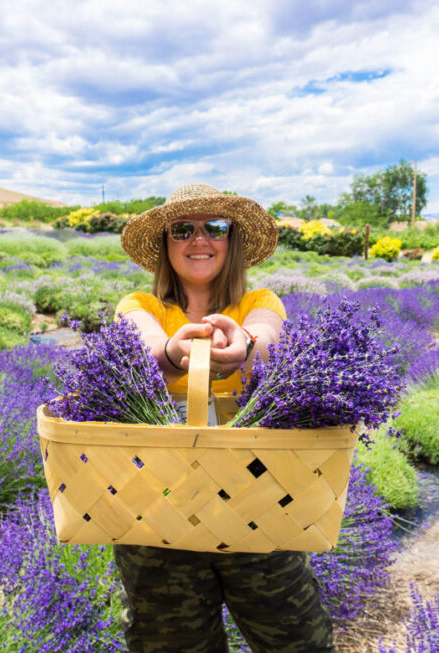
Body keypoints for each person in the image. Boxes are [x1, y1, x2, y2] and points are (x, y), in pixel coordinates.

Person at [113, 183, 333, 653]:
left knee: (297, 637)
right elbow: (141, 344)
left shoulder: (259, 302)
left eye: (215, 227)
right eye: (182, 229)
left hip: (257, 500)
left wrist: (245, 348)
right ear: (164, 244)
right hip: (159, 508)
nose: (199, 239)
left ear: (231, 240)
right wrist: (175, 353)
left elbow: (268, 336)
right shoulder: (140, 304)